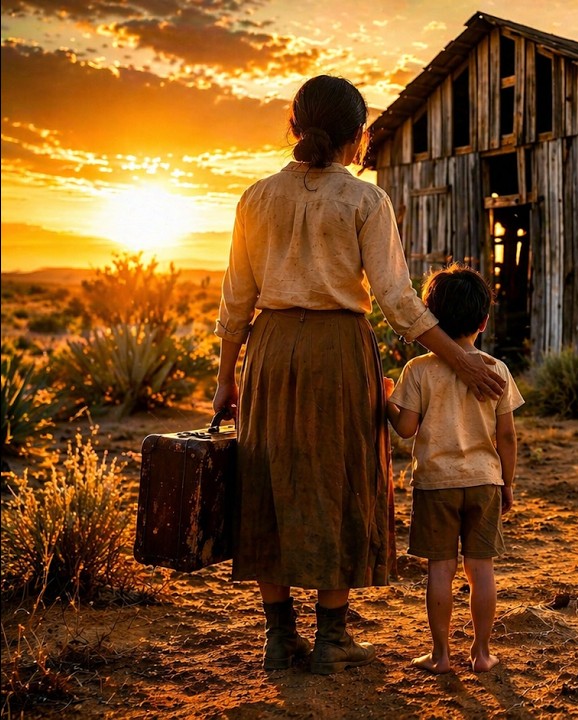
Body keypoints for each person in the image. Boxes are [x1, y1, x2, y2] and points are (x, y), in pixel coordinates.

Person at [212, 75, 505, 675]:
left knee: (271, 477)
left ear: (294, 127)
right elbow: (398, 302)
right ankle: (332, 636)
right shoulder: (364, 200)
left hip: (267, 352)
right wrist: (463, 360)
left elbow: (235, 302)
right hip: (338, 351)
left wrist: (226, 379)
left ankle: (277, 636)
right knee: (338, 478)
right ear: (359, 135)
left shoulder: (256, 198)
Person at [385, 264, 522, 674]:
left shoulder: (419, 371)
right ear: (483, 321)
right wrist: (507, 484)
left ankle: (441, 655)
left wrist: (386, 400)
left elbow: (406, 429)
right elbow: (508, 438)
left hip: (435, 485)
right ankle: (481, 653)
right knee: (482, 570)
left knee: (439, 570)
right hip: (484, 482)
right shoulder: (496, 369)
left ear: (431, 318)